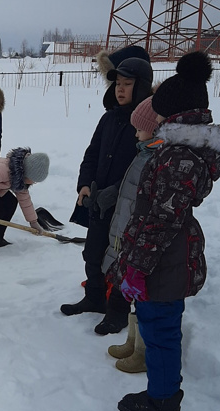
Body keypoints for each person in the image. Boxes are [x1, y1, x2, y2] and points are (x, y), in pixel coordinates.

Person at [113, 51, 220, 411]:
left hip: (163, 259)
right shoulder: (181, 152)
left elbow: (160, 221)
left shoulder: (178, 159)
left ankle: (163, 401)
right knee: (160, 327)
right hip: (165, 256)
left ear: (172, 115)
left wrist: (136, 267)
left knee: (160, 330)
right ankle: (163, 391)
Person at [60, 55, 153, 335]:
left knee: (120, 259)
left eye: (127, 84)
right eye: (118, 84)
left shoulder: (147, 124)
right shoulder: (109, 118)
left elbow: (145, 167)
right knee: (93, 252)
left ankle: (117, 311)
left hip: (126, 208)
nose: (120, 89)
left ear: (141, 87)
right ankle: (94, 297)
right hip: (99, 201)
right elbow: (92, 153)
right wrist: (85, 185)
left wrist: (118, 191)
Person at [103, 96, 162, 373]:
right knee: (136, 292)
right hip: (129, 233)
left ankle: (142, 350)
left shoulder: (155, 158)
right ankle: (132, 340)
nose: (136, 133)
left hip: (140, 236)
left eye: (139, 128)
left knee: (145, 294)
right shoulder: (144, 152)